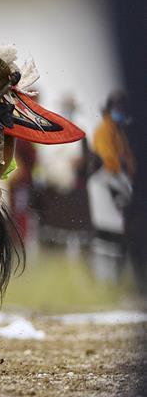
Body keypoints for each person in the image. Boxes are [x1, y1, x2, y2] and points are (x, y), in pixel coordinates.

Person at [87, 91, 135, 280]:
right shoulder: (103, 130)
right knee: (106, 237)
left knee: (117, 238)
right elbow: (108, 159)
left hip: (116, 182)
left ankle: (116, 278)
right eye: (117, 108)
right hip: (105, 183)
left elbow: (127, 158)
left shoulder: (118, 131)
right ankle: (105, 279)